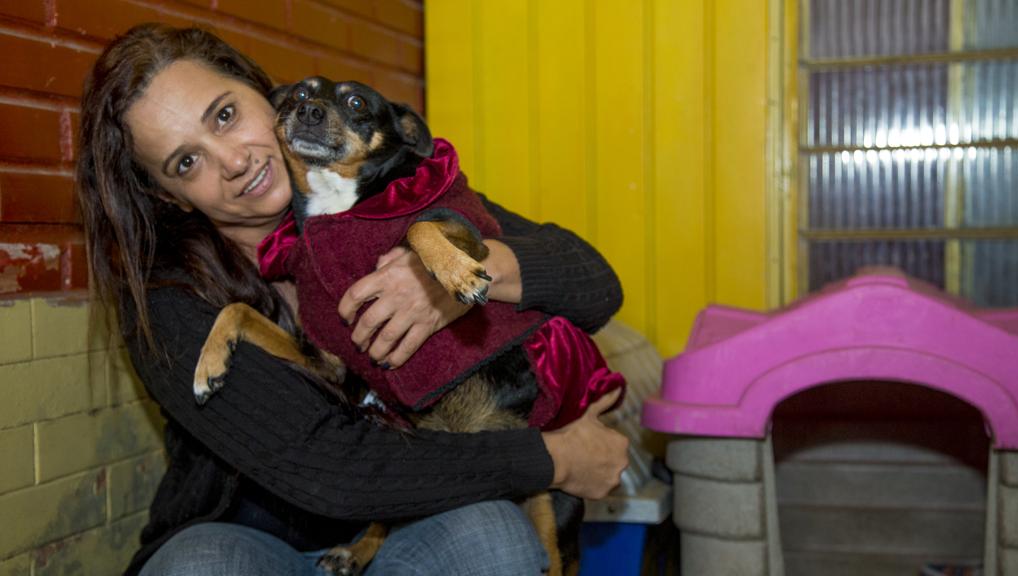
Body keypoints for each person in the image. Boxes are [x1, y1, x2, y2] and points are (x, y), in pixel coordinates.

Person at [76, 23, 629, 576]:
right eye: (186, 163)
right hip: (251, 544)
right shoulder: (167, 299)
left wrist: (467, 275)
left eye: (225, 115)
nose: (233, 162)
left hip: (415, 529)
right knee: (199, 567)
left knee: (493, 537)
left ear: (265, 96)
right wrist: (555, 459)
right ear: (169, 197)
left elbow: (598, 284)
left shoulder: (396, 198)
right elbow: (331, 470)